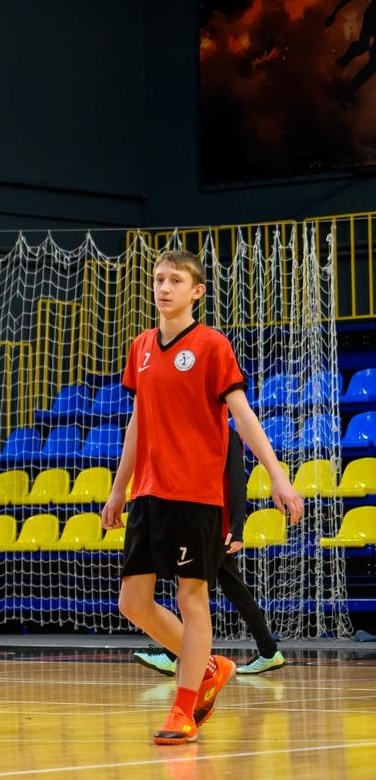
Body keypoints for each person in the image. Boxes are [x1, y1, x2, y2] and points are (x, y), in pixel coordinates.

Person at [102, 250, 302, 745]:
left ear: (197, 292)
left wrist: (277, 476)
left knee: (190, 597)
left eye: (175, 280)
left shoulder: (212, 346)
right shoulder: (140, 347)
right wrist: (119, 488)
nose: (164, 287)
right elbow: (138, 421)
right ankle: (209, 667)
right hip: (148, 491)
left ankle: (184, 708)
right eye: (158, 279)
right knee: (132, 602)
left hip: (196, 494)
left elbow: (243, 415)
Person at [133, 434, 284, 677]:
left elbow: (237, 482)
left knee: (191, 590)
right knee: (232, 589)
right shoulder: (204, 435)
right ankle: (268, 651)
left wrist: (236, 528)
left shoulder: (228, 436)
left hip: (217, 527)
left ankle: (171, 655)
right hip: (208, 524)